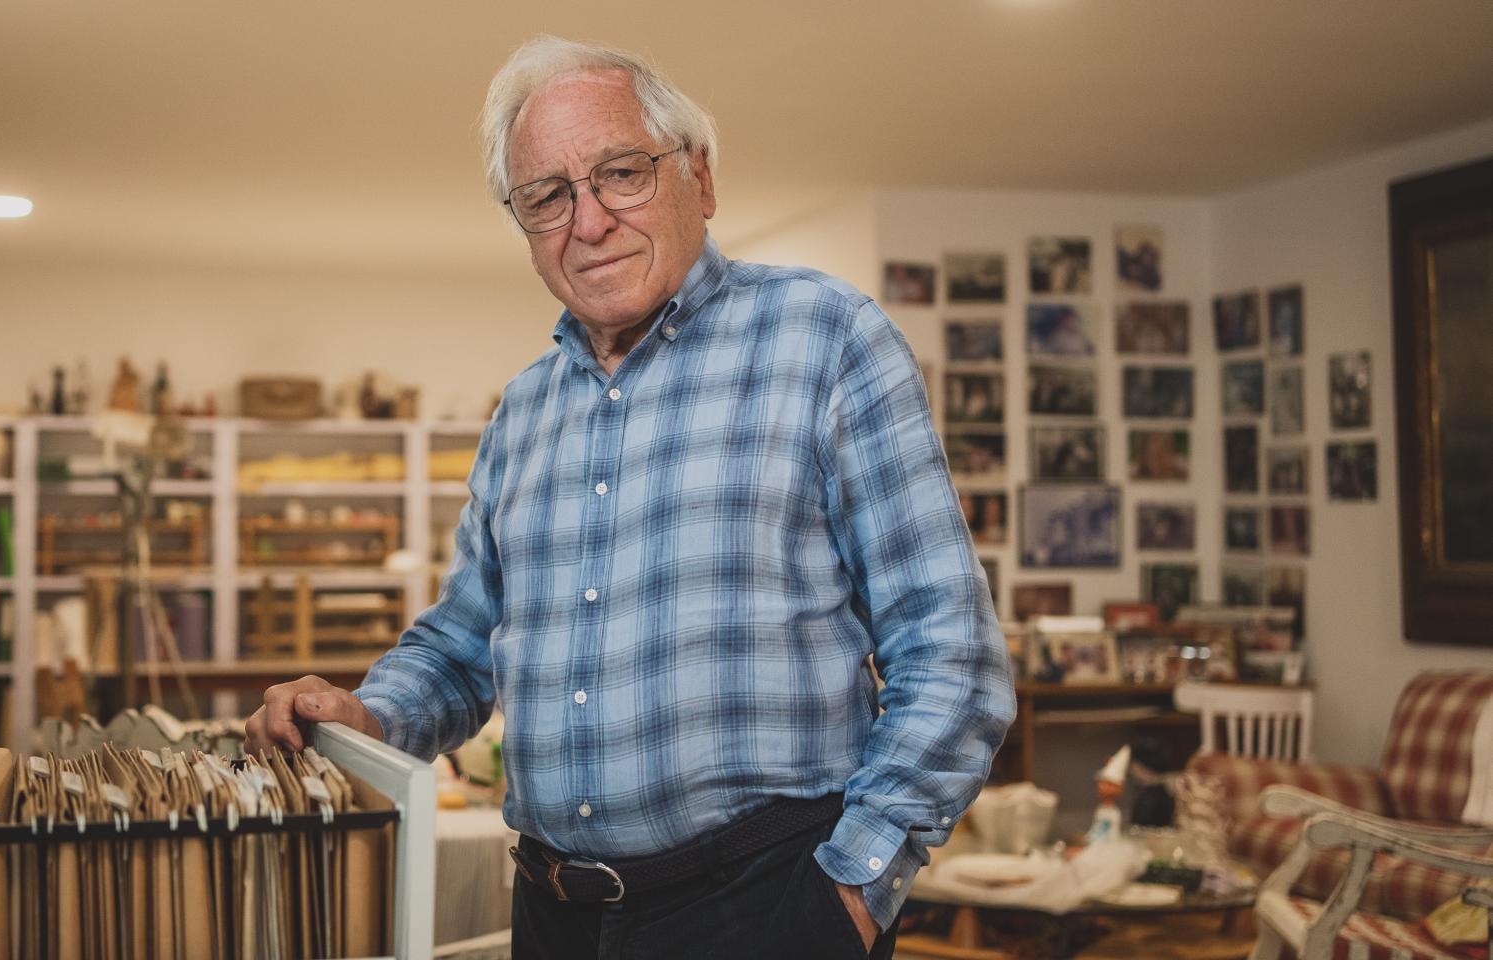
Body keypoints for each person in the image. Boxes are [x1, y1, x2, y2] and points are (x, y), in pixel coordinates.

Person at [245, 36, 1014, 960]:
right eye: (548, 195)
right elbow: (460, 649)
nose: (591, 219)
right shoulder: (523, 412)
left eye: (621, 173)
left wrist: (852, 891)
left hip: (767, 907)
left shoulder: (826, 340)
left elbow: (952, 656)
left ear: (701, 179)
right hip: (553, 913)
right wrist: (363, 715)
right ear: (525, 225)